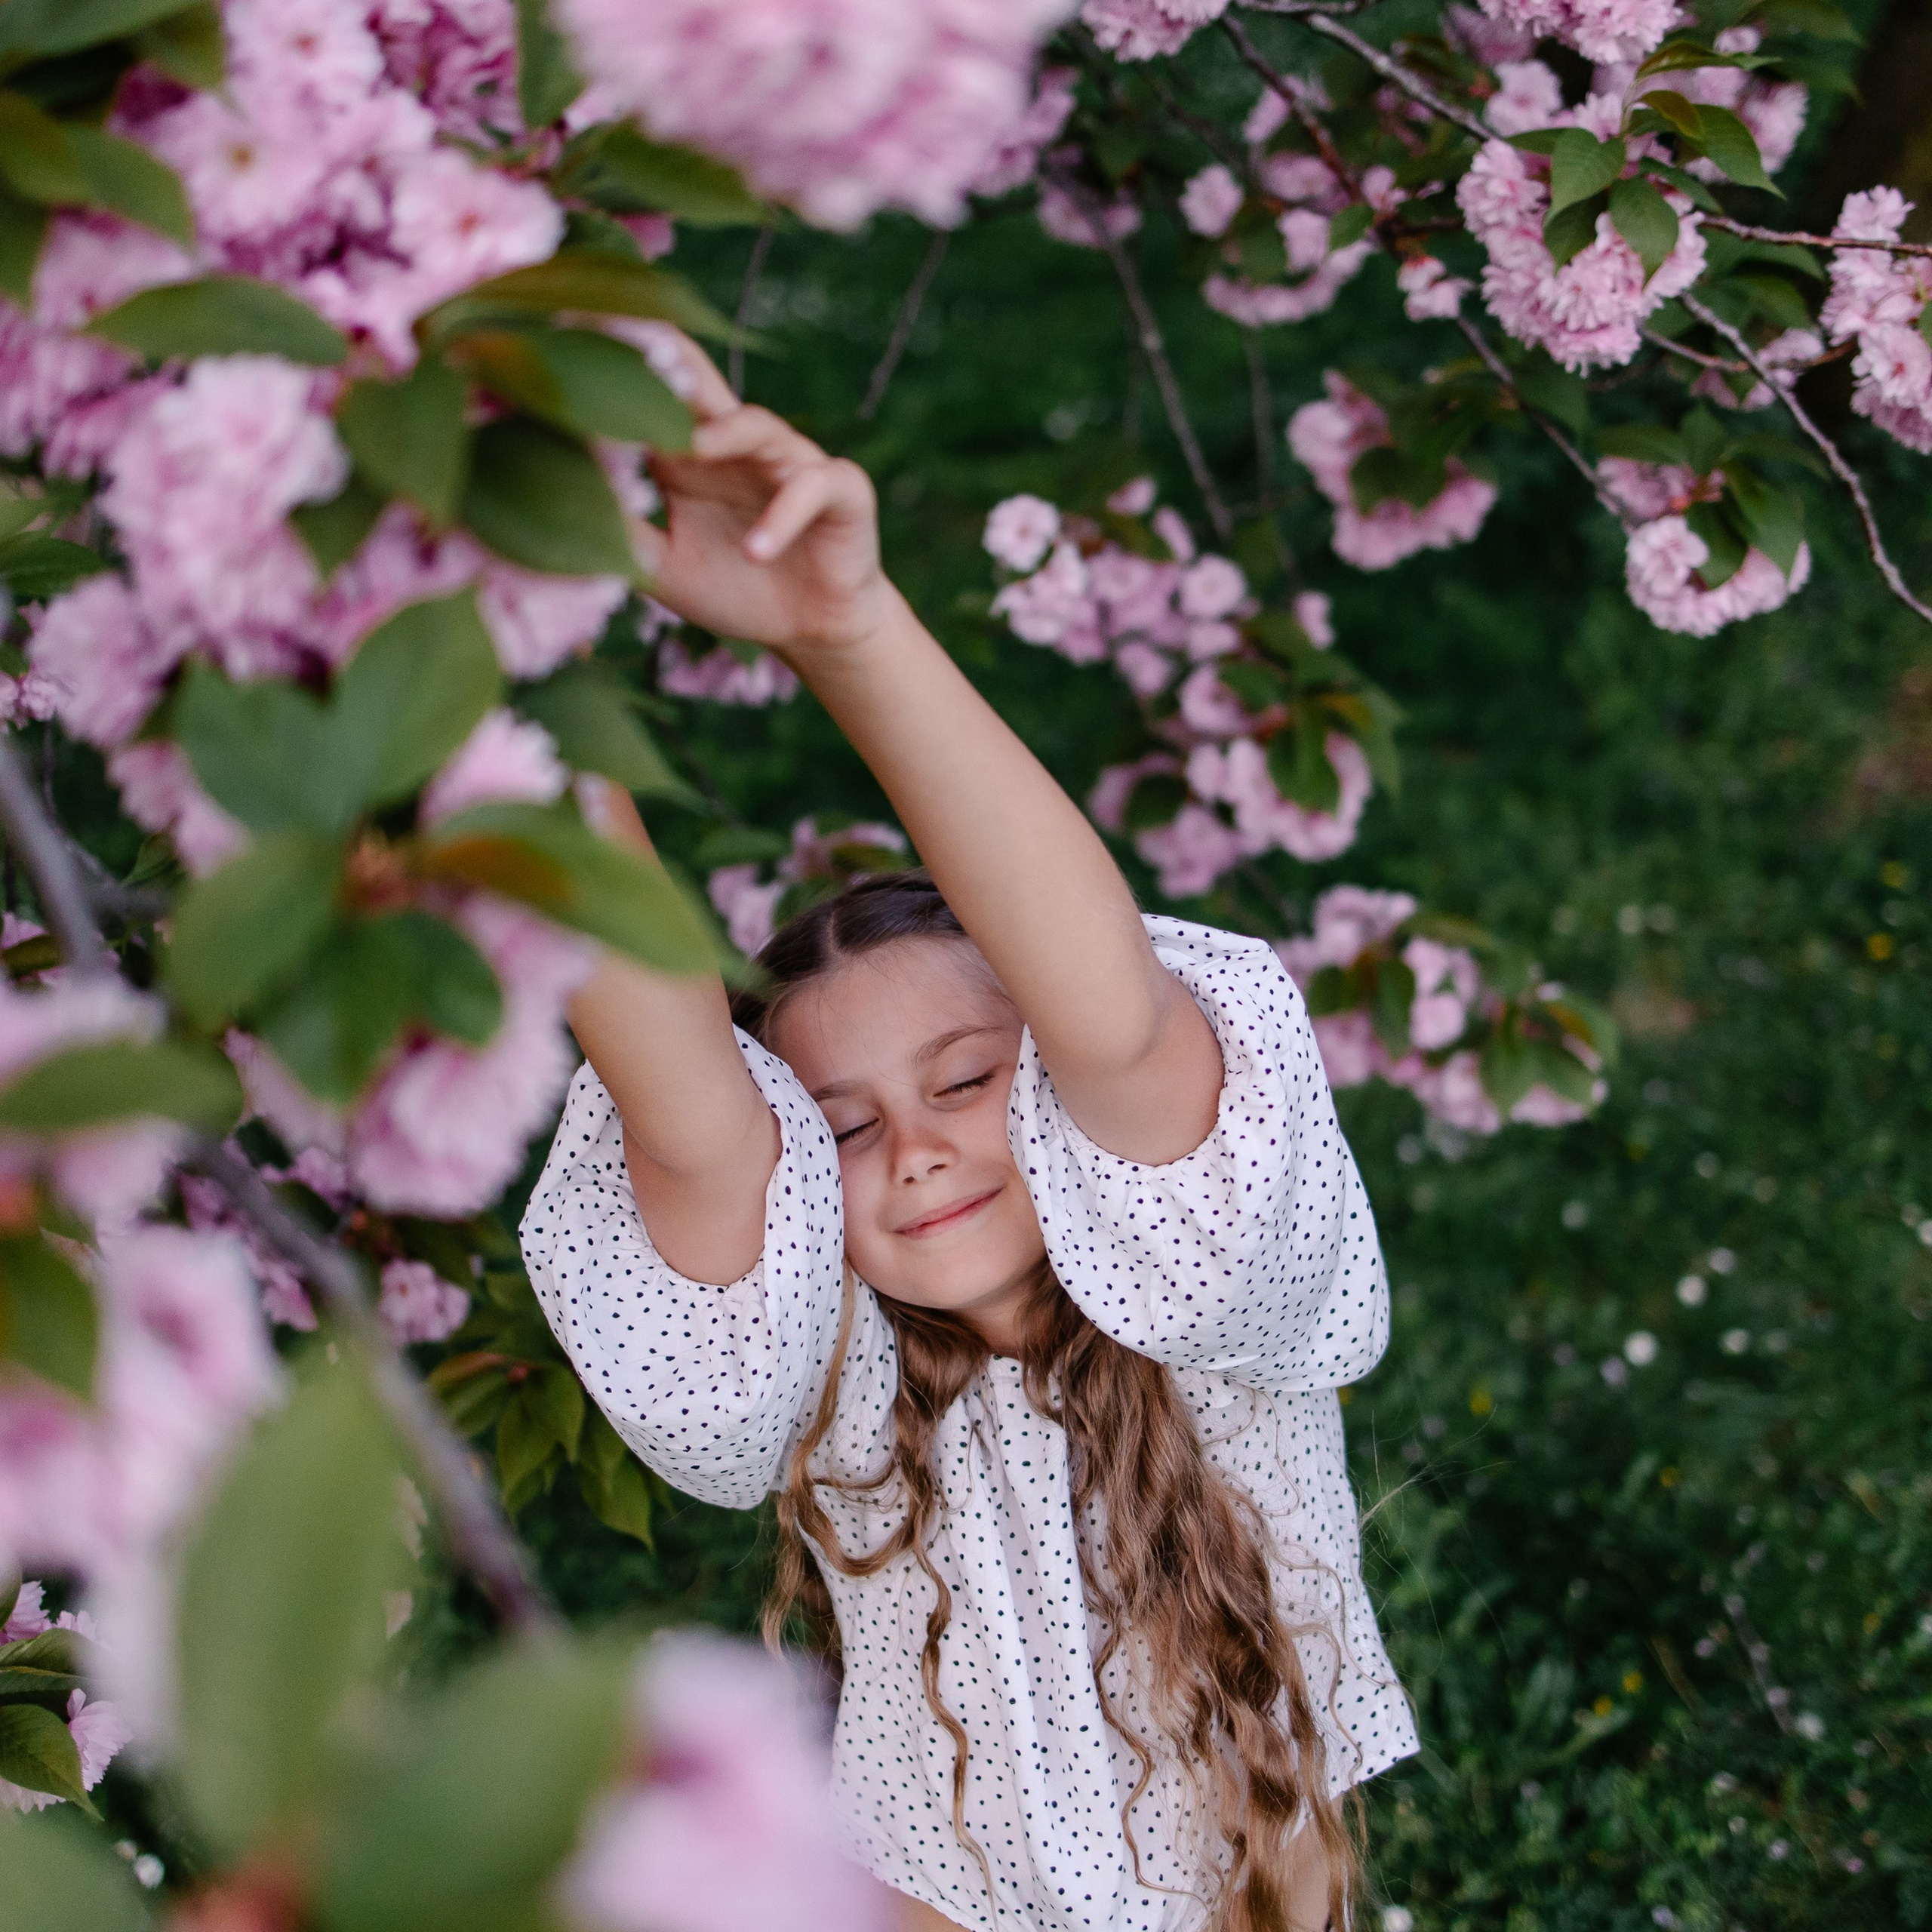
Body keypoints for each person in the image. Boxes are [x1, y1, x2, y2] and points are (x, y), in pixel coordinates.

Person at [521, 330, 1417, 1932]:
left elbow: (1113, 1017)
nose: (917, 1150)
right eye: (845, 1128)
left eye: (960, 1080)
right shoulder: (838, 1372)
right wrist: (517, 676)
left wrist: (845, 624)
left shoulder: (1225, 1301)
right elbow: (697, 1124)